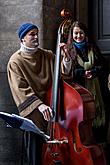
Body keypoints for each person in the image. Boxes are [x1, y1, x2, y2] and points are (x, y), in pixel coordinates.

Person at [7, 22, 54, 165]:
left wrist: (66, 59)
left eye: (36, 33)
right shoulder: (15, 61)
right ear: (22, 39)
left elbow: (63, 75)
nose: (36, 37)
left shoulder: (48, 55)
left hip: (52, 107)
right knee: (36, 152)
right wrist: (39, 105)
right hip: (34, 112)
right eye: (31, 34)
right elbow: (20, 89)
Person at [60, 21, 109, 143]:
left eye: (81, 33)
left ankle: (100, 145)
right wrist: (82, 73)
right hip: (79, 92)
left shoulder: (92, 47)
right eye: (75, 33)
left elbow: (104, 66)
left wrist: (94, 71)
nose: (78, 36)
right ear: (72, 34)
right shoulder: (69, 50)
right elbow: (67, 73)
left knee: (100, 118)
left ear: (85, 34)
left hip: (97, 89)